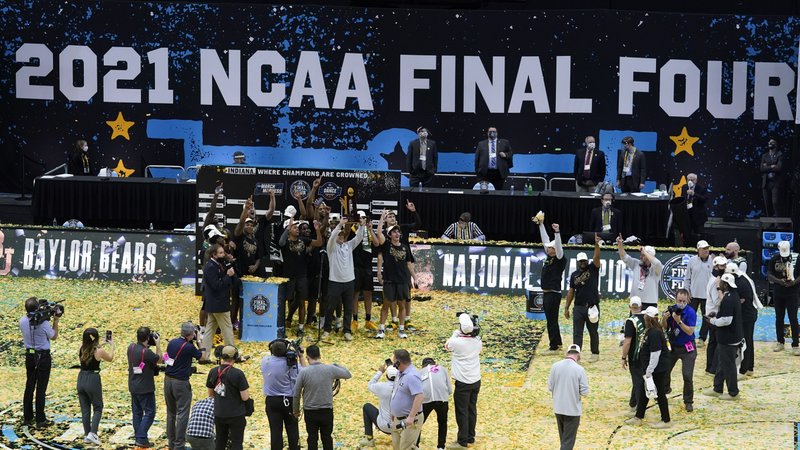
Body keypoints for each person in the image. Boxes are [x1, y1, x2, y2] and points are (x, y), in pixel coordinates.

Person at [292, 345, 352, 450]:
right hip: (326, 410)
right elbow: (348, 374)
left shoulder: (303, 372)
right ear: (320, 355)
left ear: (307, 357)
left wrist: (296, 411)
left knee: (312, 438)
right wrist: (335, 365)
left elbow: (296, 394)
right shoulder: (330, 369)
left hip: (310, 411)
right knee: (327, 438)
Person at [625, 306, 671, 429]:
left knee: (660, 393)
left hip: (657, 369)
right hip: (652, 368)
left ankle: (666, 420)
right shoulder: (650, 330)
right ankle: (638, 417)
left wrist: (649, 371)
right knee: (644, 391)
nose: (644, 318)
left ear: (648, 318)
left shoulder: (655, 333)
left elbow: (655, 354)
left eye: (645, 316)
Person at [20, 297, 60, 428]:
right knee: (41, 388)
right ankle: (40, 419)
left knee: (29, 386)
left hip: (30, 355)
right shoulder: (43, 324)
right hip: (42, 357)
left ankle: (27, 417)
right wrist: (56, 320)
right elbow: (53, 336)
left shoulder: (22, 321)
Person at [279, 217, 323, 336]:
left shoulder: (303, 240)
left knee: (302, 301)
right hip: (289, 276)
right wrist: (287, 228)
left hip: (302, 276)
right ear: (289, 230)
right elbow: (280, 242)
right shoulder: (286, 242)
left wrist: (318, 230)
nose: (297, 229)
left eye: (297, 228)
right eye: (294, 227)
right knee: (286, 300)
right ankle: (283, 325)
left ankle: (300, 328)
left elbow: (319, 243)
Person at [322, 213, 363, 341]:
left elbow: (359, 238)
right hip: (335, 281)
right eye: (338, 235)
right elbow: (332, 236)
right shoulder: (331, 247)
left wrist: (361, 226)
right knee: (330, 308)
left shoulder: (349, 246)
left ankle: (346, 330)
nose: (340, 236)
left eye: (342, 235)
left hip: (349, 281)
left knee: (348, 308)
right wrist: (340, 224)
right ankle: (327, 330)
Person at [261, 339, 308, 450]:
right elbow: (305, 373)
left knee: (275, 431)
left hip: (271, 401)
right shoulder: (291, 364)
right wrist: (300, 357)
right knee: (292, 429)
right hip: (289, 400)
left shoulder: (265, 360)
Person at [703, 274, 743, 400]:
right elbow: (726, 315)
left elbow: (726, 320)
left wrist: (712, 321)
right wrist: (717, 314)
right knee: (722, 363)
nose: (718, 285)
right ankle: (717, 388)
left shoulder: (728, 299)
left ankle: (733, 392)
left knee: (728, 365)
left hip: (728, 338)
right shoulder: (733, 295)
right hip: (731, 337)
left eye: (721, 283)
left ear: (725, 284)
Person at [164, 322, 204, 450]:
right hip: (181, 382)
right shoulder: (189, 347)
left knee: (171, 413)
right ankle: (179, 445)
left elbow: (166, 357)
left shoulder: (172, 342)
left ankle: (171, 443)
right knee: (182, 413)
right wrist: (199, 342)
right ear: (192, 334)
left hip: (167, 380)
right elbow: (203, 357)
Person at [445, 314, 482, 449]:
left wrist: (455, 333)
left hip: (463, 382)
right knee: (472, 408)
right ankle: (470, 436)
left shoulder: (456, 342)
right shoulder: (477, 341)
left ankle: (462, 441)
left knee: (462, 411)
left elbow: (447, 346)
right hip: (476, 379)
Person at [564, 235, 602, 362]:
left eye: (584, 260)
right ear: (577, 262)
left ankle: (595, 353)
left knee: (593, 331)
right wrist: (566, 308)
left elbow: (596, 257)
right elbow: (571, 291)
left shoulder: (593, 269)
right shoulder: (574, 275)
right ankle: (576, 354)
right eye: (580, 261)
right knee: (577, 333)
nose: (583, 263)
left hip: (592, 306)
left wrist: (596, 245)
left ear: (587, 261)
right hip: (579, 307)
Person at [376, 220, 417, 339]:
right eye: (394, 232)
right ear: (390, 235)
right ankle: (381, 329)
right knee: (386, 305)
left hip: (403, 280)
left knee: (402, 305)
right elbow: (379, 233)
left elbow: (409, 264)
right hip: (389, 280)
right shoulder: (387, 245)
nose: (397, 233)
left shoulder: (404, 247)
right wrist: (381, 219)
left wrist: (415, 277)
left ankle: (401, 329)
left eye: (398, 231)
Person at [206, 345, 250, 450]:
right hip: (236, 414)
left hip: (219, 413)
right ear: (235, 357)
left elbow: (210, 394)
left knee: (220, 442)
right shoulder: (238, 374)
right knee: (237, 443)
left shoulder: (213, 371)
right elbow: (245, 397)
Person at [547, 344, 589, 450]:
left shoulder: (555, 366)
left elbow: (550, 387)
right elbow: (585, 392)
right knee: (568, 442)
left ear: (567, 353)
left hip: (558, 408)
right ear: (579, 355)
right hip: (572, 410)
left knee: (564, 439)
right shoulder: (580, 369)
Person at [662, 289, 697, 412]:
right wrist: (664, 319)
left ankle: (688, 401)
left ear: (687, 300)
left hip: (688, 347)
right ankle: (665, 389)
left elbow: (690, 331)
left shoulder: (691, 312)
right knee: (665, 370)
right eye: (679, 300)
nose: (681, 303)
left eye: (683, 301)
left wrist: (679, 321)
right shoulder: (671, 309)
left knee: (687, 375)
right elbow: (665, 328)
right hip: (673, 346)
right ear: (675, 299)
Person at [77, 328, 114, 445]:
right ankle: (93, 433)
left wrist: (101, 343)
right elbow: (110, 358)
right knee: (98, 407)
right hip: (92, 379)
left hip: (81, 378)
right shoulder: (99, 351)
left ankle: (87, 434)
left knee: (85, 409)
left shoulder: (81, 347)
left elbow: (91, 348)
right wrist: (112, 346)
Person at [200, 244, 236, 363]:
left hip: (215, 304)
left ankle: (204, 355)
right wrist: (227, 276)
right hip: (218, 304)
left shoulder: (218, 264)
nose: (223, 255)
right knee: (227, 329)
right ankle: (231, 354)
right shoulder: (210, 267)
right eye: (220, 253)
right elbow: (216, 286)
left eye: (223, 252)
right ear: (213, 255)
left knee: (210, 329)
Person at [127, 327, 163, 448]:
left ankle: (139, 437)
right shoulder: (147, 353)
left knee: (137, 413)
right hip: (145, 387)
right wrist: (157, 344)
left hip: (133, 385)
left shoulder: (131, 348)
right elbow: (159, 359)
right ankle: (141, 437)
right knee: (150, 413)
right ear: (148, 338)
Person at [537, 216, 567, 352]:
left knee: (551, 320)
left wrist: (557, 233)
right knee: (551, 320)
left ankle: (554, 346)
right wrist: (541, 225)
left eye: (551, 248)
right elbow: (545, 241)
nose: (548, 249)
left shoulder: (560, 258)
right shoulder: (550, 257)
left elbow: (559, 247)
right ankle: (557, 343)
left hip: (553, 294)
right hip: (548, 293)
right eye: (548, 248)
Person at [727, 262, 762, 377]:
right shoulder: (742, 278)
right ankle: (749, 368)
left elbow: (736, 302)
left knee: (744, 342)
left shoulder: (739, 284)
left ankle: (744, 369)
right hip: (749, 314)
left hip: (746, 316)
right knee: (748, 341)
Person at [767, 240, 799, 354]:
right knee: (779, 318)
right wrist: (778, 281)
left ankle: (795, 344)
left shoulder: (796, 258)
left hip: (792, 293)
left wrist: (794, 282)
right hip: (778, 292)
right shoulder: (774, 258)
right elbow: (769, 274)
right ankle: (780, 342)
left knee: (793, 318)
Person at [388, 349, 424, 450]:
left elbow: (419, 396)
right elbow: (396, 391)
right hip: (397, 419)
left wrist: (411, 417)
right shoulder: (400, 373)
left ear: (398, 362)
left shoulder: (412, 376)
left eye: (394, 361)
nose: (393, 363)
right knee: (397, 446)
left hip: (409, 420)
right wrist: (393, 412)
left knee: (406, 447)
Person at [359, 361, 398, 448]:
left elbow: (370, 384)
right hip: (400, 427)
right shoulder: (403, 387)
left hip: (384, 426)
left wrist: (380, 372)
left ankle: (369, 438)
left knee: (367, 406)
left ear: (387, 376)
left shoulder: (382, 387)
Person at [352, 211, 380, 332]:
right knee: (355, 294)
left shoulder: (368, 231)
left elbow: (376, 243)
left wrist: (370, 229)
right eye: (360, 218)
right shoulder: (352, 230)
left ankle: (368, 320)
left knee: (368, 293)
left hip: (367, 266)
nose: (362, 220)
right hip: (355, 265)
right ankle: (355, 320)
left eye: (363, 218)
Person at [617, 238, 662, 311]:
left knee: (650, 322)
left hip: (650, 303)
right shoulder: (636, 264)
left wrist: (645, 251)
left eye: (643, 255)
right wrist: (620, 244)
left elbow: (657, 262)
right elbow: (624, 257)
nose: (640, 256)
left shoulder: (656, 268)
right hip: (635, 302)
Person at [685, 240, 713, 348]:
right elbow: (687, 278)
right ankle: (688, 336)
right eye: (704, 248)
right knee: (689, 316)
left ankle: (702, 338)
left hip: (707, 296)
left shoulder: (712, 260)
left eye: (707, 248)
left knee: (706, 318)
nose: (706, 250)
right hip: (693, 295)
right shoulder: (692, 261)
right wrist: (687, 292)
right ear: (698, 250)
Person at [703, 256, 729, 375]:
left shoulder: (715, 279)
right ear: (716, 267)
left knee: (713, 342)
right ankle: (712, 368)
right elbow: (717, 302)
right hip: (714, 315)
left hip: (712, 314)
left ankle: (710, 367)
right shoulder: (715, 282)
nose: (724, 268)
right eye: (721, 266)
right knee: (715, 342)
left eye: (724, 265)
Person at [418, 357, 450, 450]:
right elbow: (449, 388)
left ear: (423, 365)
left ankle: (415, 445)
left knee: (419, 423)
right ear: (434, 363)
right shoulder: (443, 369)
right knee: (442, 423)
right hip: (442, 399)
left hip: (425, 400)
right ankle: (441, 446)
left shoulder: (419, 372)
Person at [620, 297, 645, 417]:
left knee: (638, 381)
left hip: (635, 356)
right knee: (639, 379)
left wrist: (623, 357)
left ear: (630, 307)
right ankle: (633, 403)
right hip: (646, 355)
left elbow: (627, 341)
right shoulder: (647, 318)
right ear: (641, 307)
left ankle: (639, 409)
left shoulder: (630, 321)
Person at [760, 138, 784, 217]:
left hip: (775, 183)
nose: (770, 143)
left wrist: (767, 166)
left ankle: (779, 224)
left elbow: (779, 168)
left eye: (772, 142)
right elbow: (762, 169)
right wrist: (772, 166)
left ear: (776, 144)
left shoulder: (779, 154)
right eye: (769, 142)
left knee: (775, 202)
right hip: (766, 183)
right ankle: (769, 224)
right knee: (767, 204)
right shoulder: (764, 155)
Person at [682, 173, 708, 242]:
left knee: (699, 234)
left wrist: (694, 194)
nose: (690, 181)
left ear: (696, 180)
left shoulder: (702, 188)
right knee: (687, 234)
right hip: (687, 214)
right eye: (688, 180)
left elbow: (704, 199)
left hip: (698, 215)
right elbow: (683, 199)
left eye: (692, 180)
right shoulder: (684, 187)